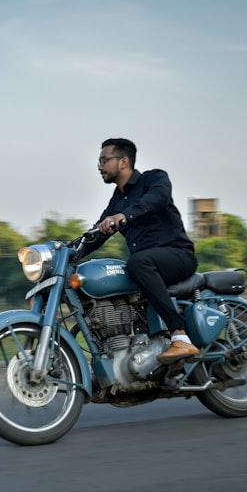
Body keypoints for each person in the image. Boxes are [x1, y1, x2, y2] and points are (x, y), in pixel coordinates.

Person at [79, 138, 199, 364]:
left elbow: (157, 198)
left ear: (124, 161)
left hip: (178, 255)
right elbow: (98, 233)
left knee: (137, 263)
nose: (99, 167)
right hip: (148, 263)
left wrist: (124, 216)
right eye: (99, 161)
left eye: (104, 160)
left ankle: (180, 336)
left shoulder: (154, 179)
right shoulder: (117, 199)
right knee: (125, 269)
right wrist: (66, 251)